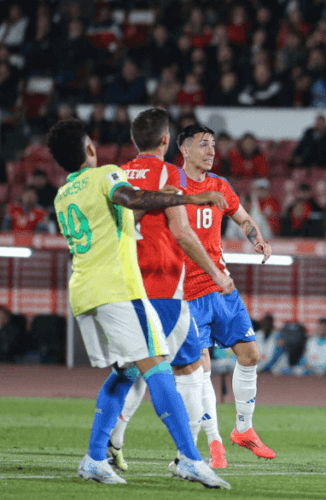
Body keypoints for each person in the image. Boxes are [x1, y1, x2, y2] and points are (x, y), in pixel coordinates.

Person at [45, 120, 229, 488]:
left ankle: (96, 457)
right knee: (159, 369)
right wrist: (190, 197)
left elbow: (126, 214)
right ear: (90, 151)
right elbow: (130, 199)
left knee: (127, 372)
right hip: (119, 291)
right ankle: (191, 459)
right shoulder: (106, 176)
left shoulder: (63, 193)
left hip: (84, 293)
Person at [106, 108, 236, 471]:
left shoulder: (116, 175)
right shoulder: (170, 173)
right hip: (163, 287)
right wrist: (216, 273)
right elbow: (181, 232)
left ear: (135, 141)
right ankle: (187, 457)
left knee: (132, 367)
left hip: (125, 287)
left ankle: (110, 442)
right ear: (166, 141)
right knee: (191, 370)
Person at [178, 124, 276, 466]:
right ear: (184, 149)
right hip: (187, 293)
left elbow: (243, 217)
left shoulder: (220, 185)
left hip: (221, 287)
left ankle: (243, 430)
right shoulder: (172, 188)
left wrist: (257, 239)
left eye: (214, 145)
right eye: (203, 145)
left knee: (250, 355)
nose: (211, 151)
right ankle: (213, 442)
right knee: (200, 369)